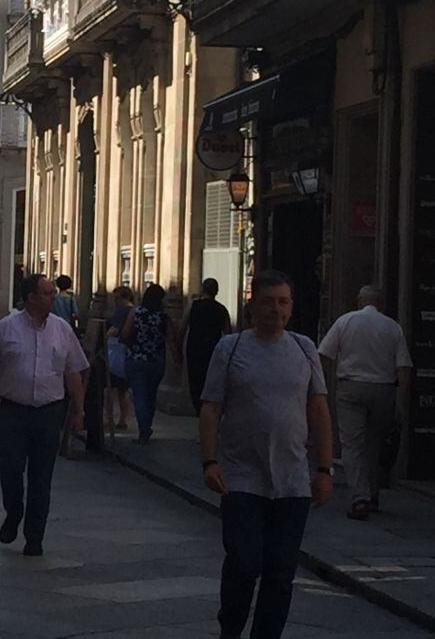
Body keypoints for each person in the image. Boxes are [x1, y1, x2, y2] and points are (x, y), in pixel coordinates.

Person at [200, 270, 334, 639]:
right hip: (242, 476)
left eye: (283, 301)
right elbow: (211, 407)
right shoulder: (231, 348)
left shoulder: (305, 348)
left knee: (280, 574)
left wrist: (324, 468)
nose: (276, 309)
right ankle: (231, 628)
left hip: (292, 481)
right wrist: (209, 460)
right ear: (252, 306)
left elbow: (319, 409)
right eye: (268, 301)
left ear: (291, 307)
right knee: (243, 564)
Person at [0, 273, 87, 557]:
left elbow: (73, 371)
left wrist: (79, 409)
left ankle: (34, 536)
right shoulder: (6, 328)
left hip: (49, 413)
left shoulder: (62, 330)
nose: (53, 298)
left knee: (42, 476)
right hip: (13, 412)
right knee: (9, 469)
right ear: (31, 298)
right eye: (47, 293)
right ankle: (14, 511)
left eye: (52, 292)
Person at [318, 285, 411, 521]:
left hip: (350, 387)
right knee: (374, 443)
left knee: (352, 444)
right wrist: (400, 402)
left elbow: (324, 354)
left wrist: (323, 387)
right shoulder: (393, 327)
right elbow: (403, 367)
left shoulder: (345, 321)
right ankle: (373, 493)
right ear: (380, 303)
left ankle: (360, 497)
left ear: (359, 301)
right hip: (383, 389)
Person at [120, 283, 175, 444]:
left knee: (139, 395)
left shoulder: (135, 313)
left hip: (136, 359)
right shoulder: (163, 317)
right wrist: (177, 358)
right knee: (151, 396)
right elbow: (172, 339)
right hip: (156, 361)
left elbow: (124, 334)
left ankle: (143, 429)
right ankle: (147, 426)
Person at [178, 278, 232, 414]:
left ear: (202, 289)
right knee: (211, 381)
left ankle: (199, 410)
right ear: (217, 292)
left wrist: (178, 349)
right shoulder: (221, 309)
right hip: (213, 349)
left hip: (195, 348)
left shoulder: (193, 306)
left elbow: (182, 328)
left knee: (195, 381)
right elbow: (228, 333)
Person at [104, 286, 135, 430]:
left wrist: (101, 340)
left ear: (125, 298)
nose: (115, 301)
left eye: (117, 298)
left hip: (116, 352)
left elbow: (113, 330)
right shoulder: (136, 310)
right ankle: (123, 419)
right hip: (128, 352)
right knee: (123, 390)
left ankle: (108, 417)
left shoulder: (123, 311)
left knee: (108, 388)